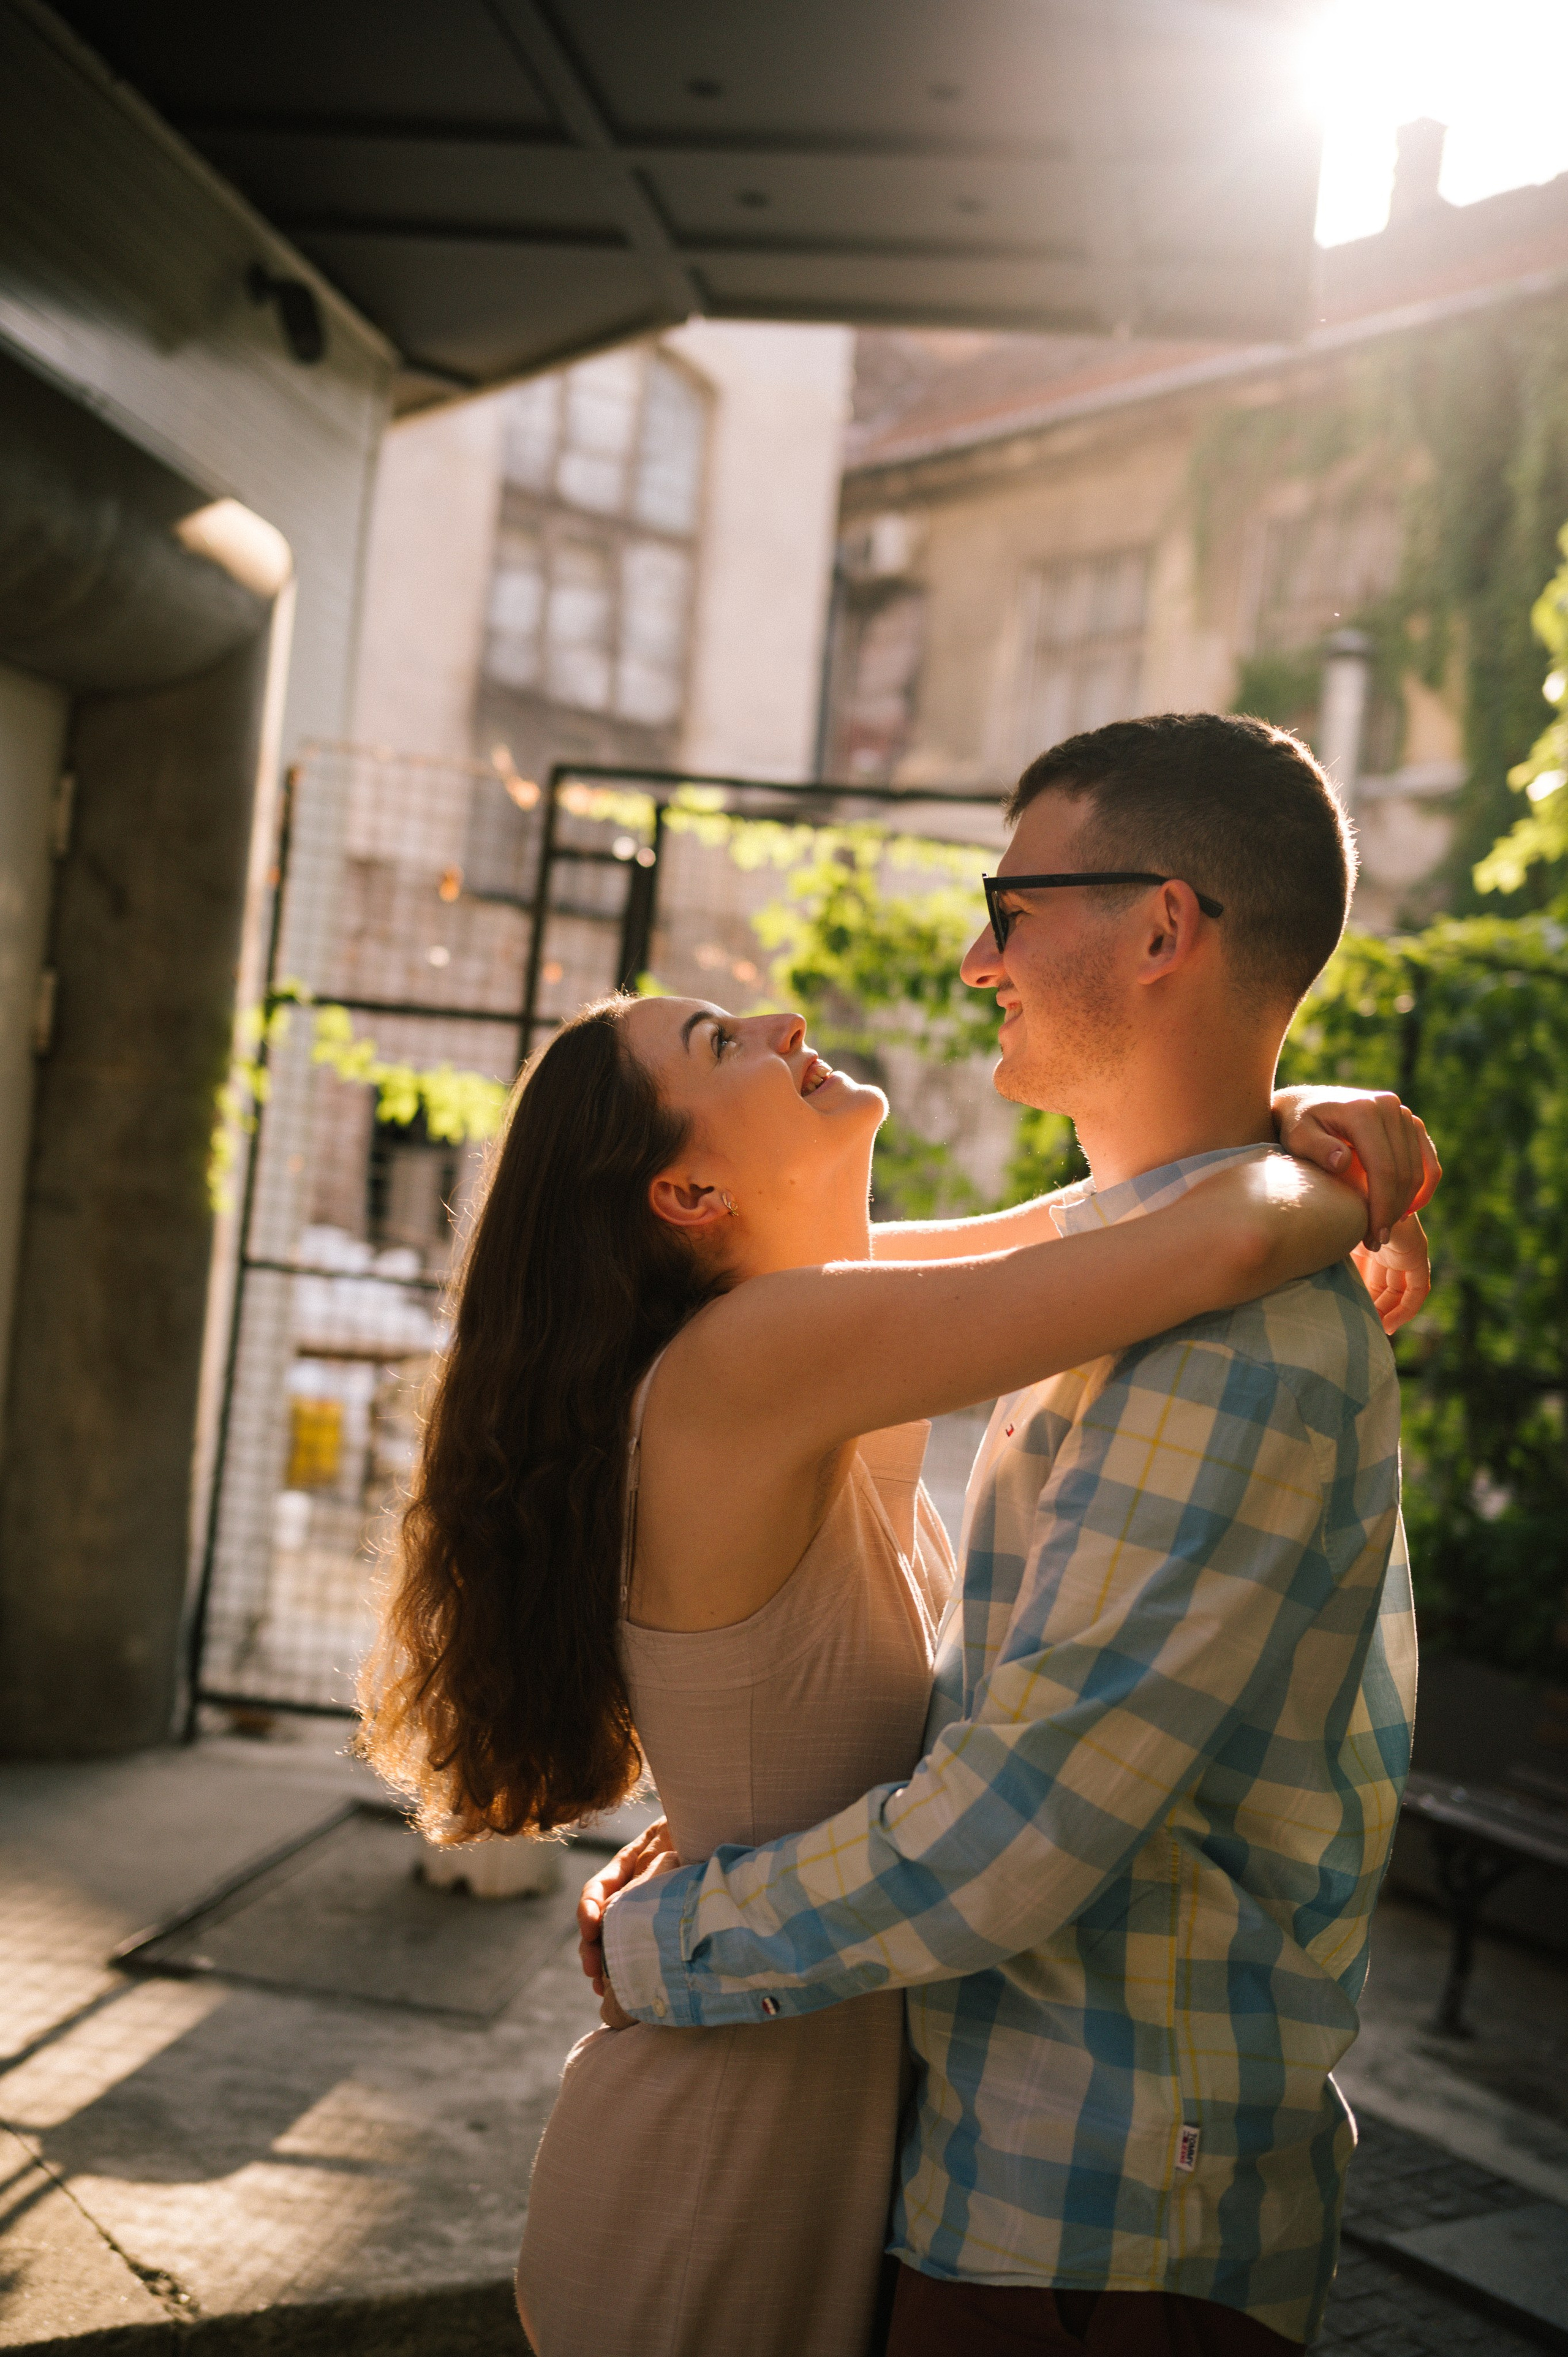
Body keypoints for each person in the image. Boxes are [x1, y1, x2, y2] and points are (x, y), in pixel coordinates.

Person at [582, 715, 1435, 2357]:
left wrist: (661, 1939)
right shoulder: (1130, 1285)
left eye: (1009, 904)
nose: (978, 960)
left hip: (1097, 2222)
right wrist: (1313, 1166)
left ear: (1164, 928)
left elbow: (1013, 1830)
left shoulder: (1221, 1336)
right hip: (1041, 2195)